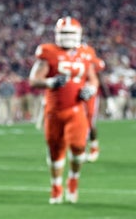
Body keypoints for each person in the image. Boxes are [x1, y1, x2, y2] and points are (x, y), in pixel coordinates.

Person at [29, 16, 99, 204]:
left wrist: (90, 89)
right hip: (54, 110)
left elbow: (93, 79)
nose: (67, 37)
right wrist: (51, 82)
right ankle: (56, 186)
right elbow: (34, 80)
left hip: (76, 109)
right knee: (55, 150)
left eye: (70, 33)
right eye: (63, 33)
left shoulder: (86, 53)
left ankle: (73, 179)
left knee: (78, 149)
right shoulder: (48, 52)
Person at [84, 49, 106, 162]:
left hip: (90, 96)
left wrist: (108, 98)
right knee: (78, 123)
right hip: (75, 96)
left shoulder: (93, 62)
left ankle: (94, 148)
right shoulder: (71, 60)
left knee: (90, 122)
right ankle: (81, 150)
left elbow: (100, 79)